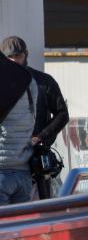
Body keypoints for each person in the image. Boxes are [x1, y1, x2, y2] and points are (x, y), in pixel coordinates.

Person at [1, 37, 68, 199]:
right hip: (14, 163)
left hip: (34, 161)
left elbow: (62, 114)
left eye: (18, 56)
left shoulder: (42, 81)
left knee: (39, 213)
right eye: (10, 57)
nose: (14, 61)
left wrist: (40, 137)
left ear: (26, 55)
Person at [0, 53, 37, 205]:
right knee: (21, 227)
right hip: (24, 171)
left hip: (1, 171)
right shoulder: (29, 80)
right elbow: (33, 117)